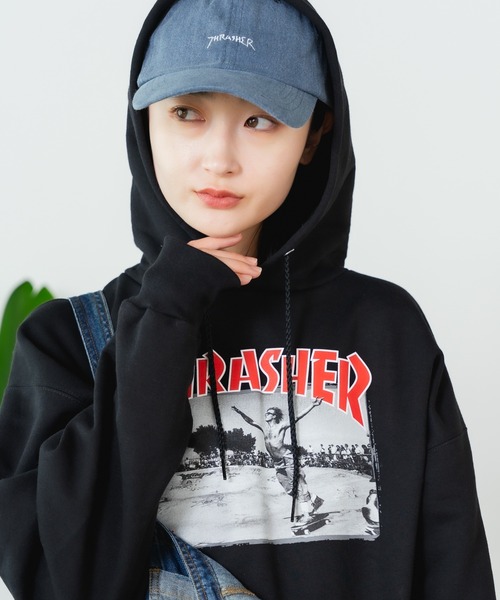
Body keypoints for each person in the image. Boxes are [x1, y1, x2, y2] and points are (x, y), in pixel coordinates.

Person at [0, 0, 496, 598]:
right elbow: (63, 580)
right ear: (144, 119)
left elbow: (456, 573)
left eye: (259, 120)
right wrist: (166, 314)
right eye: (186, 112)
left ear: (314, 135)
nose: (219, 159)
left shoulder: (389, 329)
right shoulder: (66, 341)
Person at [232, 400, 324, 524]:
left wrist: (312, 405)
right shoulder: (264, 428)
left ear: (274, 416)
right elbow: (250, 421)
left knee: (298, 486)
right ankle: (315, 499)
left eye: (269, 413)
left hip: (287, 459)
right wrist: (240, 412)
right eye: (266, 413)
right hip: (277, 463)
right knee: (289, 489)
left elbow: (297, 417)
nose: (266, 415)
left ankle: (306, 515)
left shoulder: (281, 426)